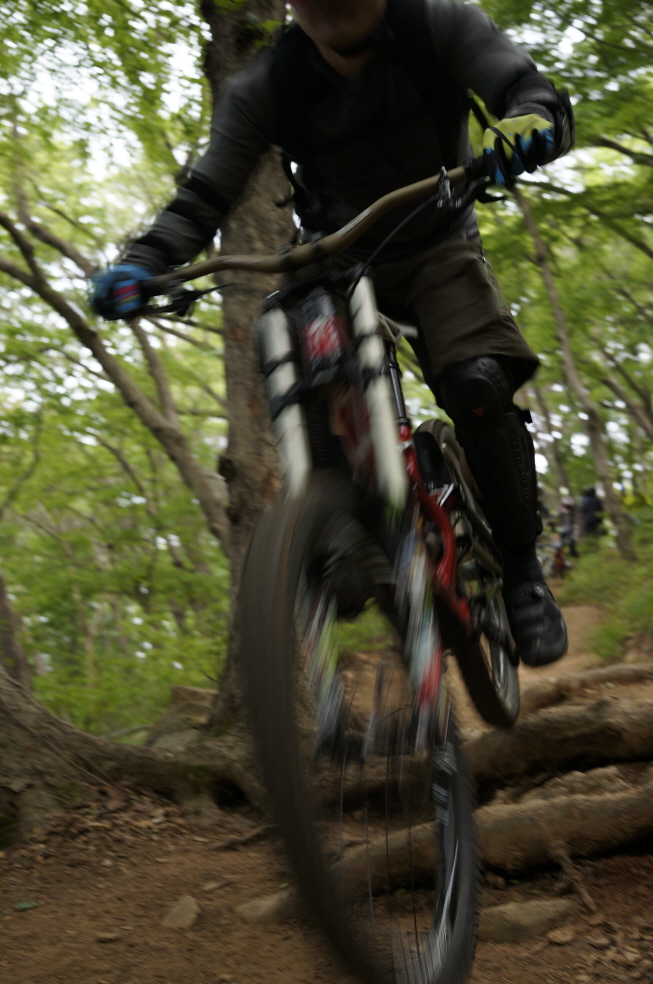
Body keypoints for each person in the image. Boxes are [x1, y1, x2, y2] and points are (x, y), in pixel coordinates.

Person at [91, 0, 572, 667]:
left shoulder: (438, 26)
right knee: (301, 359)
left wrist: (531, 121)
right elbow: (204, 196)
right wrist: (144, 262)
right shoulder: (269, 82)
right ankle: (343, 527)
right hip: (332, 257)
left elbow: (527, 89)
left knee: (478, 384)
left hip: (439, 243)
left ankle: (522, 571)